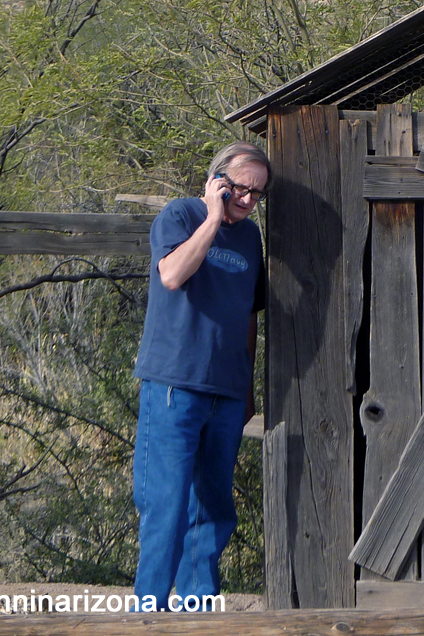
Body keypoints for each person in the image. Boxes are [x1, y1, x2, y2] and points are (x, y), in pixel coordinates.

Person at [132, 141, 268, 607]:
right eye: (241, 189)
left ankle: (198, 607)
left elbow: (251, 313)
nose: (249, 201)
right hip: (174, 386)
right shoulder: (180, 215)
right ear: (218, 182)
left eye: (258, 194)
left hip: (226, 392)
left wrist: (247, 386)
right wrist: (212, 218)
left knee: (212, 507)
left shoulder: (251, 238)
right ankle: (149, 607)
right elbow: (171, 275)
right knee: (165, 505)